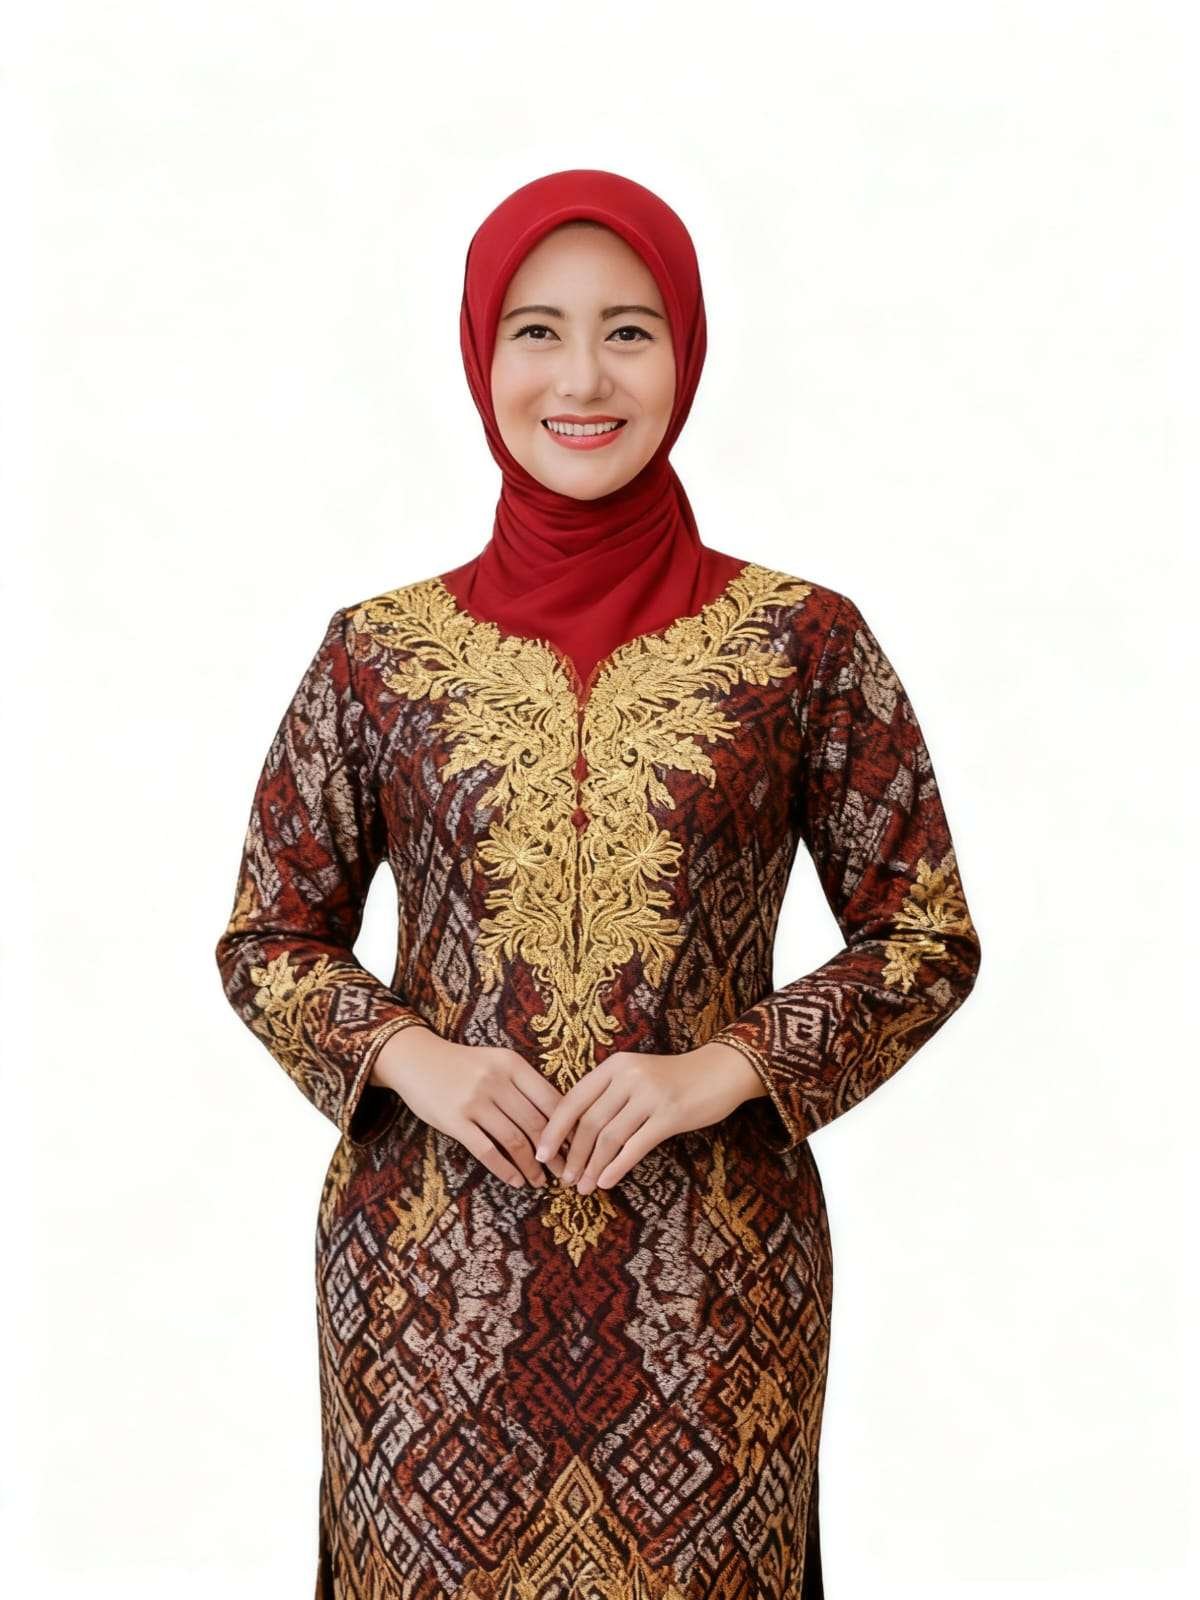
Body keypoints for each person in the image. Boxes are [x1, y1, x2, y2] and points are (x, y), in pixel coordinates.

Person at [214, 167, 982, 1600]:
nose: (582, 378)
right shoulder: (376, 655)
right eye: (537, 332)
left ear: (686, 354)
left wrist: (724, 1070)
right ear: (479, 355)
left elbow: (922, 937)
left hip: (712, 1300)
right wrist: (411, 1055)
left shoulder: (803, 644)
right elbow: (270, 936)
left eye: (630, 331)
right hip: (427, 1300)